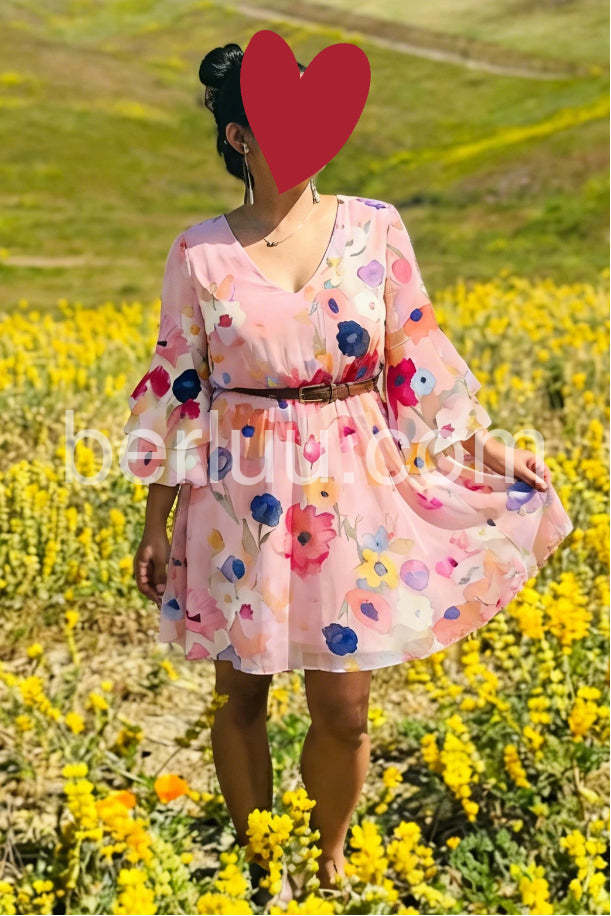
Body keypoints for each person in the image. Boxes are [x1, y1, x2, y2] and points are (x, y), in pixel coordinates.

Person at [123, 42, 574, 895]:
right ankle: (262, 869)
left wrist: (485, 446)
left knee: (343, 707)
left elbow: (414, 355)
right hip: (236, 493)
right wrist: (155, 522)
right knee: (240, 697)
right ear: (238, 138)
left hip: (354, 486)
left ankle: (329, 857)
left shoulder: (375, 226)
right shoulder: (200, 252)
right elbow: (178, 385)